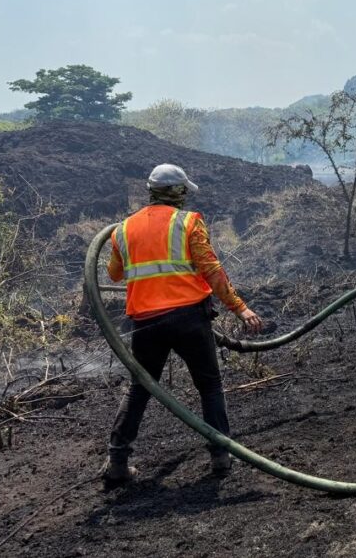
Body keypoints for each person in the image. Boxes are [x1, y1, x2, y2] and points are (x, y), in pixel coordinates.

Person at [101, 164, 263, 483]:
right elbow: (212, 271)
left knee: (139, 389)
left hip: (145, 324)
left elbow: (114, 274)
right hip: (189, 318)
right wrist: (240, 309)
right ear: (177, 192)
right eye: (183, 190)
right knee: (210, 385)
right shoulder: (188, 222)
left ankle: (117, 461)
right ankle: (220, 456)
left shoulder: (122, 229)